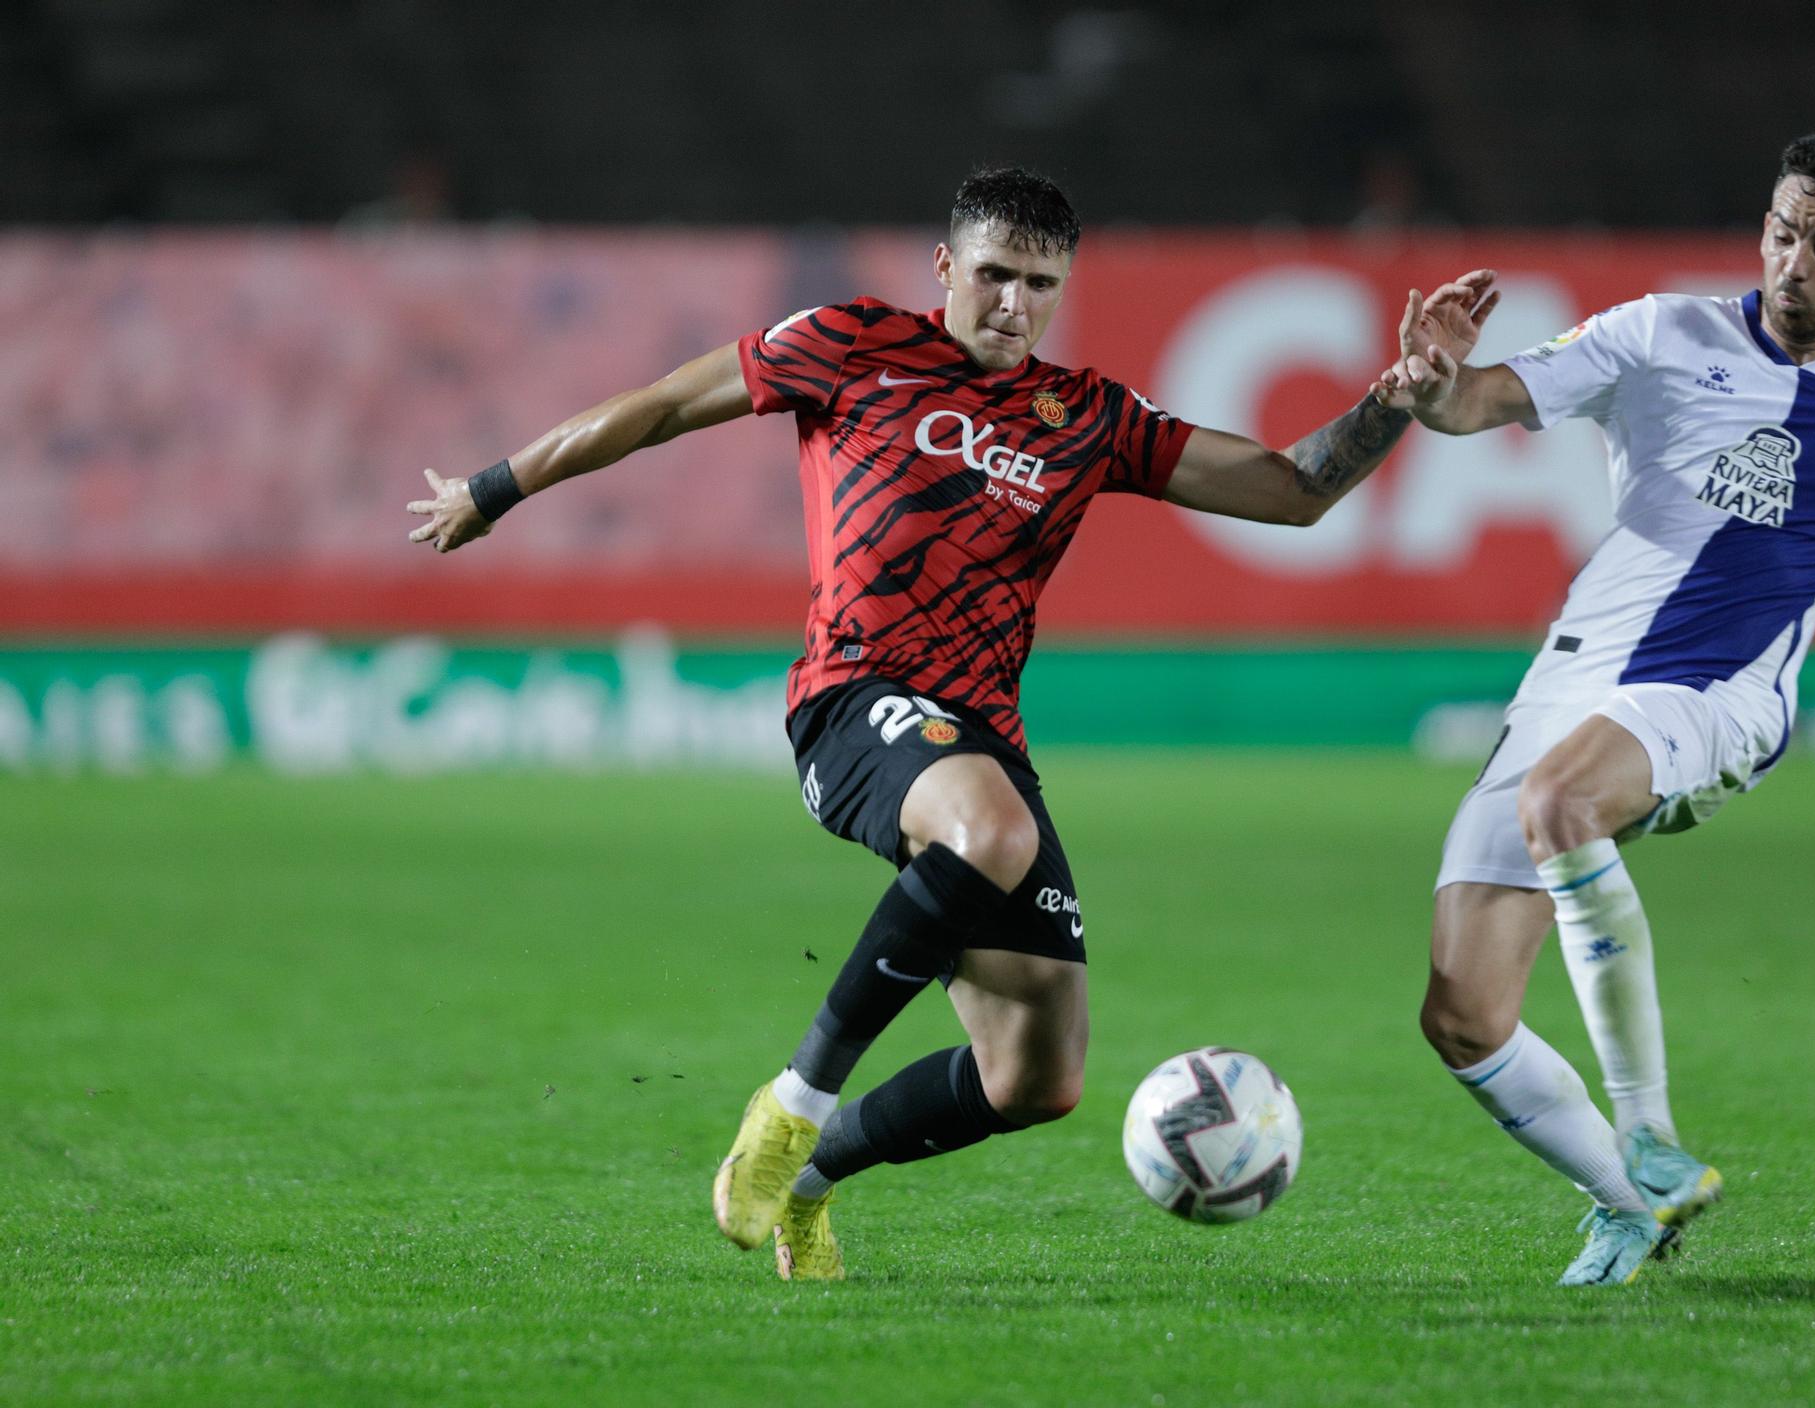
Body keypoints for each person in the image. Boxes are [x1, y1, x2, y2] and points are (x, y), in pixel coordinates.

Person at [407, 167, 1498, 1280]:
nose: (1013, 304)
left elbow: (1291, 489)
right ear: (944, 268)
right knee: (992, 832)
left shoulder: (1089, 420)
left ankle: (811, 1183)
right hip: (853, 698)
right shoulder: (849, 344)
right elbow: (659, 406)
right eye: (992, 276)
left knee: (1037, 1077)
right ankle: (787, 1107)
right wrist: (492, 489)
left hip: (979, 740)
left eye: (1039, 283)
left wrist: (1395, 398)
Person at [1374, 133, 1815, 1286]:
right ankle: (1626, 1201)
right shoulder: (1656, 333)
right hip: (1571, 678)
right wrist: (1438, 381)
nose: (1795, 261)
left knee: (1558, 800)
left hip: (1721, 694)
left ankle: (1644, 1132)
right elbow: (1482, 402)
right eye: (1781, 232)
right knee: (1462, 1013)